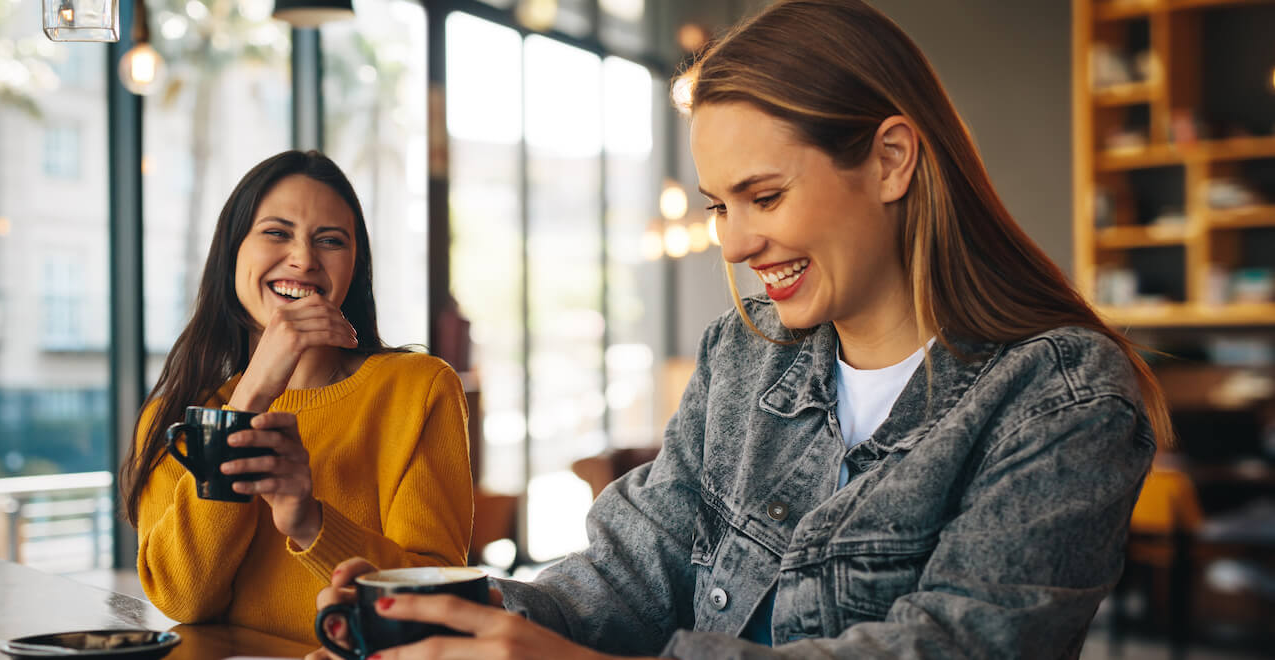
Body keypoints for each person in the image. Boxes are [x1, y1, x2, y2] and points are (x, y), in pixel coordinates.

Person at [311, 0, 1170, 657]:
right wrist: (463, 612)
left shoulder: (1060, 397)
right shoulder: (746, 352)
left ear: (892, 160)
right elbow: (628, 574)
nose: (734, 241)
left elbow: (950, 645)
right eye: (721, 205)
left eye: (765, 196)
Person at [120, 150, 473, 644]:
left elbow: (439, 599)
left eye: (330, 241)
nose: (304, 259)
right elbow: (183, 599)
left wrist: (311, 523)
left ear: (354, 269)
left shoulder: (419, 388)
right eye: (276, 232)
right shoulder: (175, 417)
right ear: (232, 254)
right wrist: (249, 401)